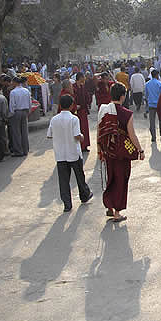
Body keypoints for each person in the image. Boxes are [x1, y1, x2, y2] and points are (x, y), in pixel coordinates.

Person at [97, 83, 145, 222]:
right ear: (123, 96)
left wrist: (100, 149)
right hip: (122, 153)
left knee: (110, 178)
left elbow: (100, 132)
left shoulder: (104, 111)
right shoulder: (126, 114)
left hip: (108, 151)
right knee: (121, 181)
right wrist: (140, 150)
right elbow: (132, 135)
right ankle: (117, 212)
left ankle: (110, 206)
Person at [47, 95, 93, 212]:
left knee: (63, 180)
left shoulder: (54, 119)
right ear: (72, 105)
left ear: (61, 105)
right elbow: (77, 136)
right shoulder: (74, 119)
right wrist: (82, 137)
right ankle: (84, 195)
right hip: (73, 152)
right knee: (79, 176)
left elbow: (49, 135)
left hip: (60, 154)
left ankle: (67, 204)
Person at [8, 76, 31, 157]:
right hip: (25, 111)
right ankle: (25, 149)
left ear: (15, 82)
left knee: (16, 132)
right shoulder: (26, 91)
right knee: (24, 131)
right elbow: (29, 102)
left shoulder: (13, 92)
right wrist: (29, 111)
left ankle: (18, 151)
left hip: (16, 112)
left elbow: (12, 105)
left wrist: (11, 114)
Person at [73, 72, 91, 152]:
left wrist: (88, 101)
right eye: (83, 77)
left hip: (83, 110)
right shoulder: (73, 87)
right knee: (78, 128)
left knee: (85, 128)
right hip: (77, 111)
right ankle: (79, 146)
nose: (84, 78)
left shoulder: (83, 86)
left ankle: (85, 145)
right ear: (80, 78)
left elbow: (87, 96)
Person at [146, 69, 161, 143]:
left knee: (152, 121)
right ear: (157, 75)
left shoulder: (147, 84)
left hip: (151, 104)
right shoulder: (160, 84)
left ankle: (153, 137)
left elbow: (146, 95)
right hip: (159, 104)